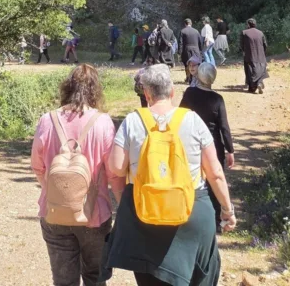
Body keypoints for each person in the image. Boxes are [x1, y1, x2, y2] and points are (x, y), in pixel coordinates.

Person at [101, 64, 236, 286]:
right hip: (191, 210)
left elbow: (115, 168)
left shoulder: (133, 121)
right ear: (173, 92)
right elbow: (216, 173)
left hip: (144, 213)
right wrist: (227, 210)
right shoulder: (192, 120)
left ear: (146, 93)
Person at [31, 64, 125, 286]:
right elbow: (113, 173)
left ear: (67, 87)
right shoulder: (102, 122)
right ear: (95, 90)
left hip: (54, 213)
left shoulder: (47, 119)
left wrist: (55, 192)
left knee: (63, 281)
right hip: (94, 215)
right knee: (95, 278)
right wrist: (122, 207)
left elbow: (37, 167)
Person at [180, 62, 235, 227]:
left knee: (193, 178)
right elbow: (224, 127)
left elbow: (180, 115)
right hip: (213, 145)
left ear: (198, 76)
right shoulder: (217, 99)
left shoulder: (189, 94)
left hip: (192, 142)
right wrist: (230, 150)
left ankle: (191, 213)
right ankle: (217, 219)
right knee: (215, 180)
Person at [240, 18, 268, 94]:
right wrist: (263, 53)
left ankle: (253, 87)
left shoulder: (244, 32)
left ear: (248, 25)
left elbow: (242, 45)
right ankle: (259, 83)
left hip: (249, 56)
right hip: (260, 56)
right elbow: (265, 44)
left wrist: (244, 51)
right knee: (260, 69)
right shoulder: (260, 33)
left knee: (250, 71)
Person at [179, 18, 203, 83]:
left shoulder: (182, 31)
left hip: (186, 50)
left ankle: (188, 78)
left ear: (185, 24)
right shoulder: (196, 31)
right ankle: (196, 78)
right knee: (196, 64)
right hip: (196, 50)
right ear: (191, 23)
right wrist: (200, 51)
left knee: (187, 65)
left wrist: (179, 52)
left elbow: (180, 43)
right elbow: (200, 42)